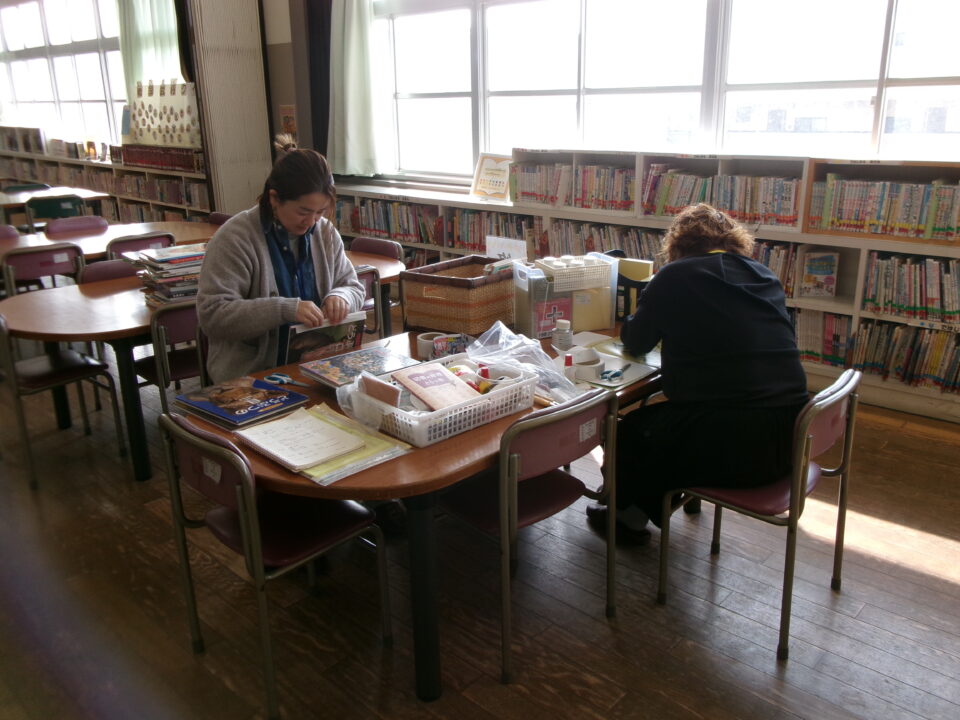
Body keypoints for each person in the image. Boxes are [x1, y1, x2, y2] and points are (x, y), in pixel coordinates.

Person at [586, 203, 809, 544]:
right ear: (734, 241)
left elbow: (637, 341)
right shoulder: (764, 275)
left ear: (677, 245)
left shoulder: (675, 276)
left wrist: (638, 312)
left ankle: (626, 519)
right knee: (671, 422)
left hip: (736, 447)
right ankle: (653, 503)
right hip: (789, 439)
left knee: (631, 431)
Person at [197, 135, 364, 383]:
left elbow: (353, 287)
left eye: (320, 212)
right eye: (303, 211)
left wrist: (342, 297)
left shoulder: (325, 232)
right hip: (253, 374)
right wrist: (283, 309)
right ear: (274, 199)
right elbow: (213, 316)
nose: (312, 222)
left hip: (318, 367)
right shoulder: (235, 239)